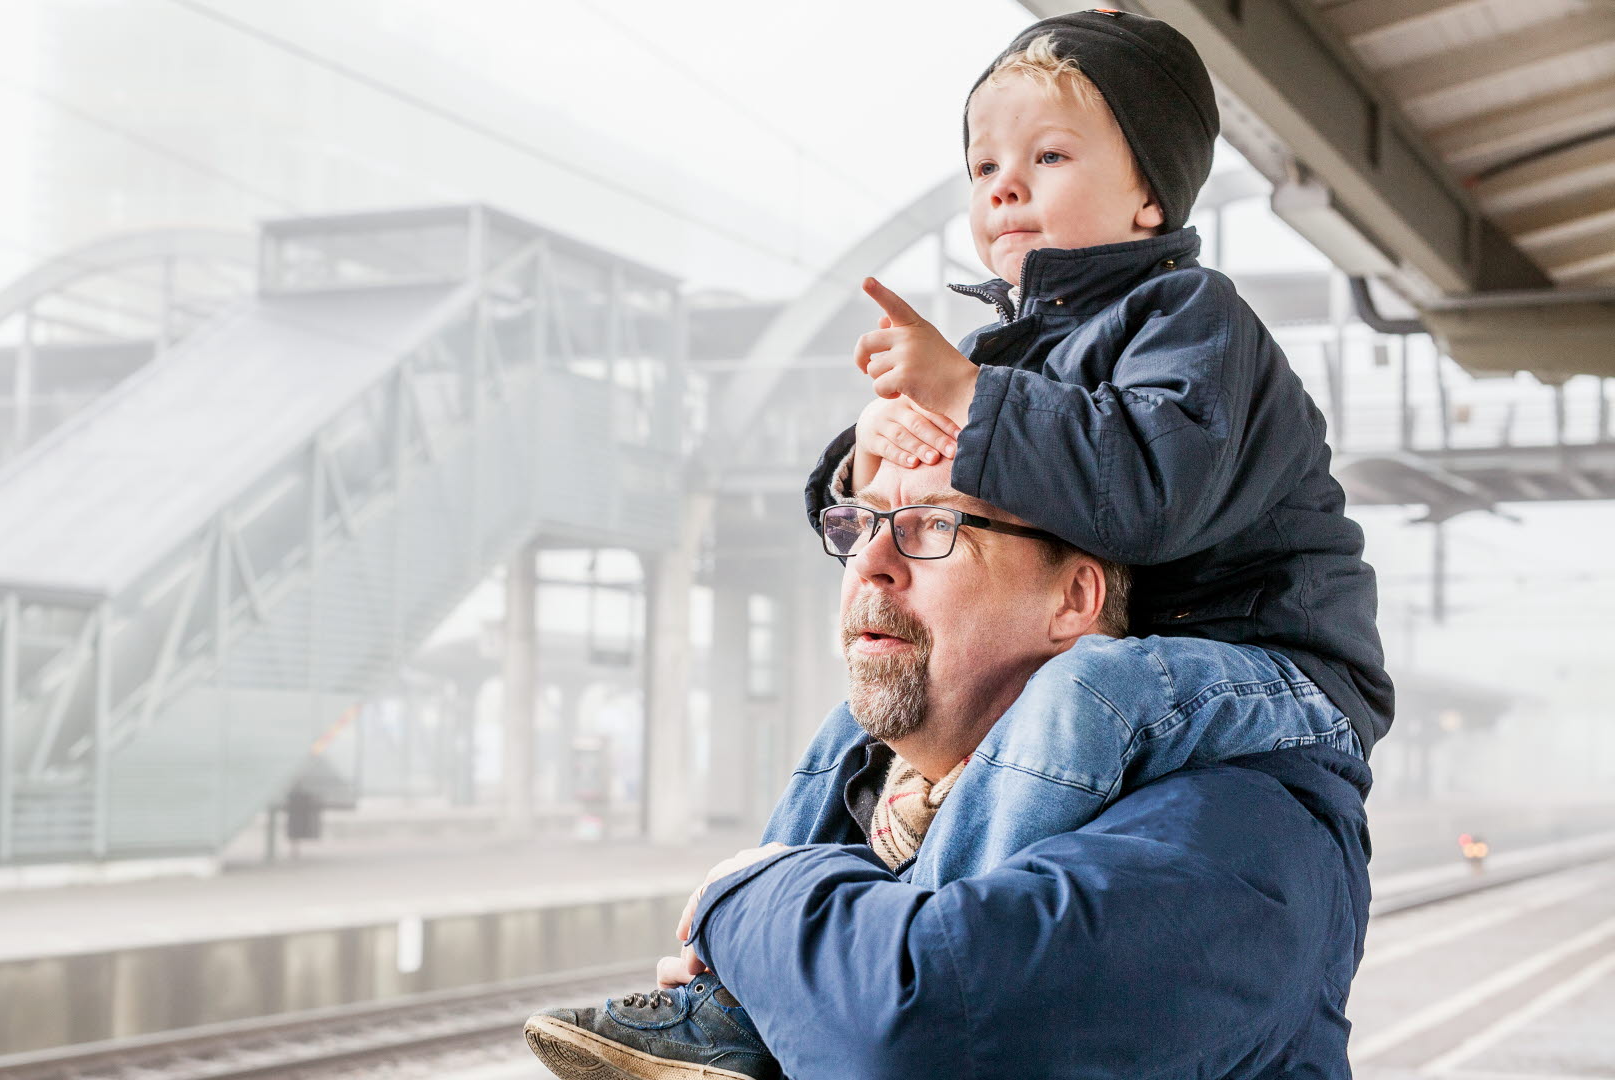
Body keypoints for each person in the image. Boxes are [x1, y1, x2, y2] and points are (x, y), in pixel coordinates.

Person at [523, 10, 1386, 1077]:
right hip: (1149, 652)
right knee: (858, 719)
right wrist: (866, 454)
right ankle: (725, 1002)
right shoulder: (1008, 349)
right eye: (984, 165)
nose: (1003, 188)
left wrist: (755, 900)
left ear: (1150, 194)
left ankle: (938, 896)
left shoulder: (1190, 317)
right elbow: (980, 458)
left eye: (1049, 155)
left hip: (1272, 665)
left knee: (1086, 699)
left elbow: (1152, 491)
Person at [527, 459, 1371, 1078]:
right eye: (858, 525)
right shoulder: (864, 800)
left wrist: (746, 899)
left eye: (933, 526)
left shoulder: (1239, 829)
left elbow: (919, 1026)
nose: (871, 563)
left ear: (1074, 599)